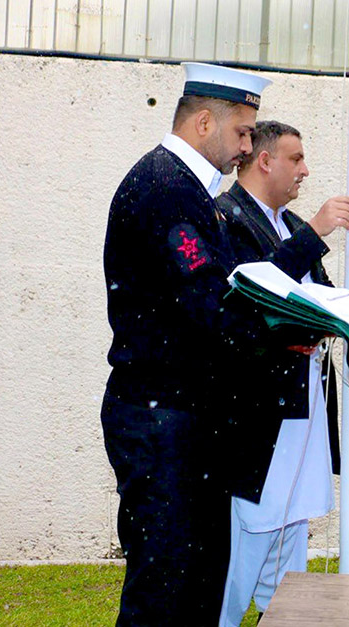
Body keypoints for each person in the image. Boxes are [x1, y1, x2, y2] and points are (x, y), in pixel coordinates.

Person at [100, 62, 272, 626]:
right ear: (204, 122)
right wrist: (279, 322)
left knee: (198, 583)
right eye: (243, 132)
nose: (247, 148)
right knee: (166, 587)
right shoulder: (165, 189)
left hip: (183, 417)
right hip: (162, 420)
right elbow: (211, 303)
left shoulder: (186, 188)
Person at [215, 120, 349, 626]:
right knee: (246, 544)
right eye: (296, 159)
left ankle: (282, 617)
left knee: (291, 534)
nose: (304, 170)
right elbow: (251, 298)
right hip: (255, 417)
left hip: (303, 405)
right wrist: (317, 232)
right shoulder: (226, 218)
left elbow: (316, 299)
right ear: (263, 160)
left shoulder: (294, 224)